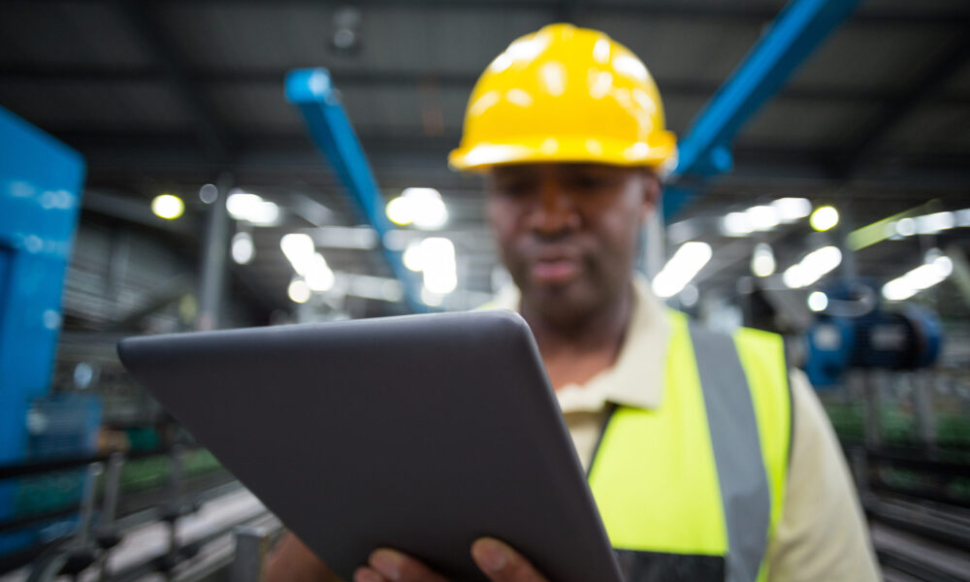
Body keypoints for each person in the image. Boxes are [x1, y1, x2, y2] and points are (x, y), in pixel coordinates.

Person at [265, 24, 880, 582]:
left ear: (647, 194)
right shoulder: (414, 376)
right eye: (517, 185)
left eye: (588, 180)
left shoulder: (762, 399)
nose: (551, 217)